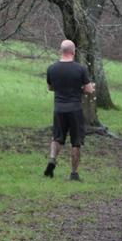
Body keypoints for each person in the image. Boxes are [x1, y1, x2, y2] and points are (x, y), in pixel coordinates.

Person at [44, 40, 95, 181]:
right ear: (73, 52)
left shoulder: (51, 68)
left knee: (57, 137)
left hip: (59, 108)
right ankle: (74, 174)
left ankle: (52, 159)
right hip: (75, 109)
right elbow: (88, 90)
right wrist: (83, 88)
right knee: (76, 142)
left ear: (61, 51)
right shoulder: (80, 69)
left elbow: (50, 88)